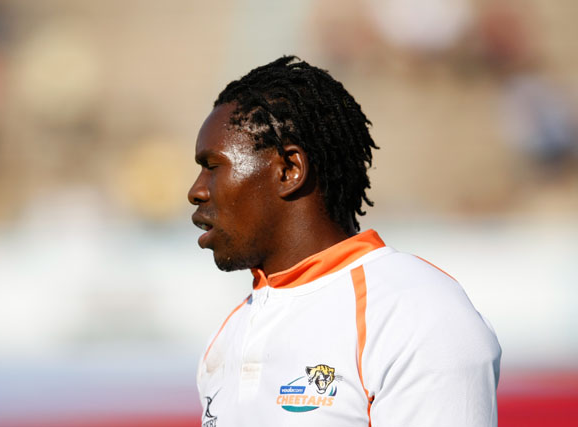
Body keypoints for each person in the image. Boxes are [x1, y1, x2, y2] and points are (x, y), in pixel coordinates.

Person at [188, 56, 501, 427]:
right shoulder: (227, 336)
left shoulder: (416, 312)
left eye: (212, 166)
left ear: (289, 170)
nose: (196, 191)